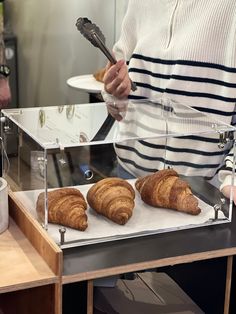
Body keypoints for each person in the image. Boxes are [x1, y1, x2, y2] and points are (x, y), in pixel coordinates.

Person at [102, 0, 236, 204]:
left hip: (203, 191)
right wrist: (114, 92)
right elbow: (121, 65)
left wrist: (231, 175)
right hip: (130, 175)